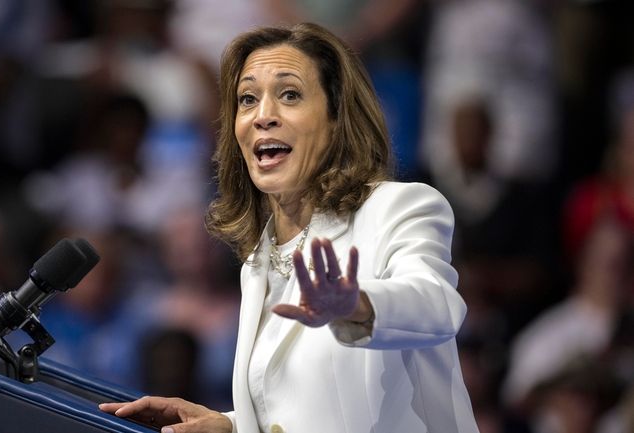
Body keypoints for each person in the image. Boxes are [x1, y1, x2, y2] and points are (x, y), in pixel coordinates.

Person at [99, 22, 479, 433]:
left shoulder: (397, 207)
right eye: (248, 99)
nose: (263, 116)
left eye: (290, 95)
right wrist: (231, 425)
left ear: (337, 119)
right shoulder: (257, 261)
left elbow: (437, 305)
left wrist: (356, 305)